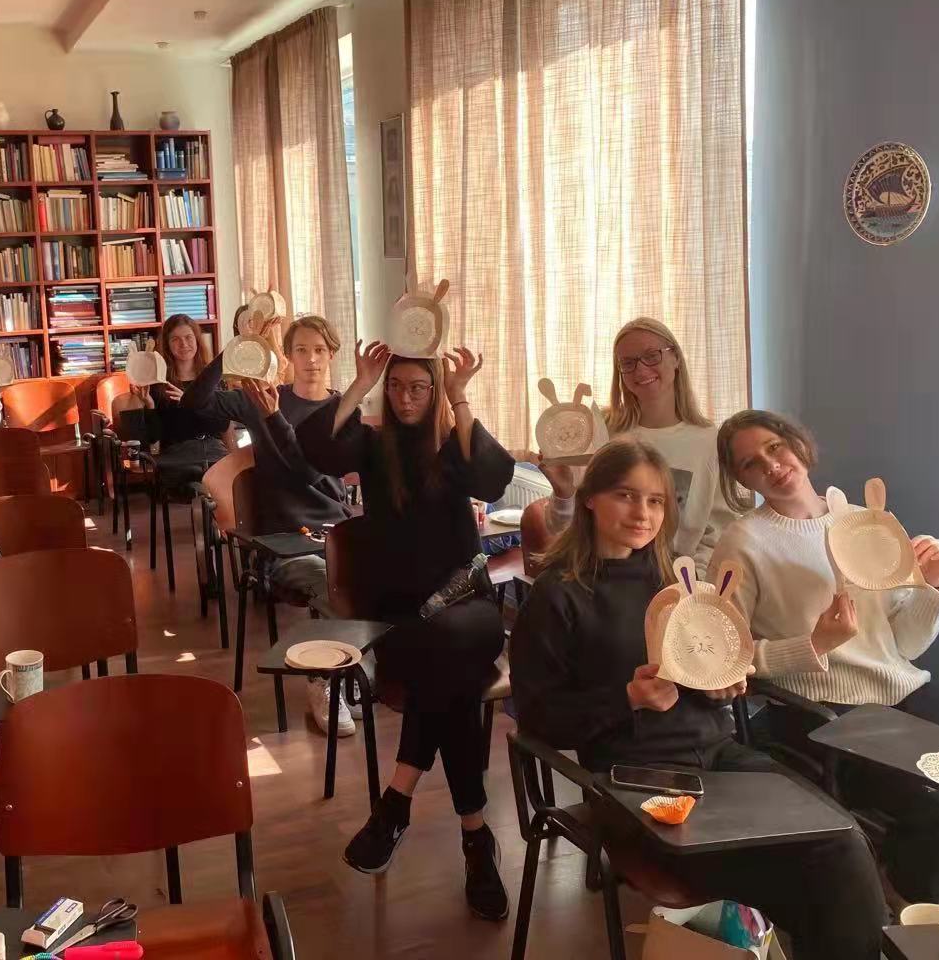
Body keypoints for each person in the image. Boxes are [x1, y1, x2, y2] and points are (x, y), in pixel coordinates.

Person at [509, 440, 885, 959]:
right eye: (626, 495)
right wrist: (627, 699)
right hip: (637, 780)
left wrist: (719, 685)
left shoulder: (673, 582)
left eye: (656, 501)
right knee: (819, 875)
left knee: (842, 838)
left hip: (720, 758)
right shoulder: (558, 596)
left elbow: (706, 672)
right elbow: (537, 717)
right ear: (591, 497)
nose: (643, 514)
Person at [711, 410, 939, 907]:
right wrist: (814, 645)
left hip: (901, 694)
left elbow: (904, 644)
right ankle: (904, 905)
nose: (771, 465)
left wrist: (931, 585)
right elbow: (728, 657)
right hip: (829, 716)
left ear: (797, 444)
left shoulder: (865, 523)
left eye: (774, 447)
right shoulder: (742, 543)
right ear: (741, 480)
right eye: (750, 464)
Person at [297, 339, 514, 921]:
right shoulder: (374, 446)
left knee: (444, 655)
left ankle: (396, 803)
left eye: (419, 388)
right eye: (396, 388)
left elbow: (494, 478)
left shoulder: (451, 446)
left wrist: (460, 397)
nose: (406, 398)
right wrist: (360, 384)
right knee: (451, 685)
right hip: (402, 621)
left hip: (468, 609)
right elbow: (316, 446)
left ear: (435, 391)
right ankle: (476, 836)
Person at [181, 315, 356, 735]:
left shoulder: (343, 410)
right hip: (284, 544)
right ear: (288, 356)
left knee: (382, 575)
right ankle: (323, 680)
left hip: (338, 535)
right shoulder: (262, 400)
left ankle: (351, 667)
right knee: (329, 583)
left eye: (319, 350)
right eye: (302, 350)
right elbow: (195, 402)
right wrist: (237, 346)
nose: (311, 360)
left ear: (332, 355)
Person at [535, 317, 736, 572]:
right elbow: (561, 527)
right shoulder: (599, 430)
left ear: (675, 358)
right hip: (600, 576)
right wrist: (564, 493)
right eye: (628, 363)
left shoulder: (710, 441)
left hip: (675, 582)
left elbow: (719, 531)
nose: (640, 371)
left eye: (652, 356)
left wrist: (690, 580)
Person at [118, 314, 233, 485]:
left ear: (197, 340)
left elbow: (221, 425)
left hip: (213, 452)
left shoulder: (213, 379)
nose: (184, 344)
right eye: (175, 339)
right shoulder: (158, 383)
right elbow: (154, 438)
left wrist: (193, 403)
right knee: (194, 480)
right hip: (178, 457)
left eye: (188, 337)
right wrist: (149, 405)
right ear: (167, 345)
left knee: (230, 479)